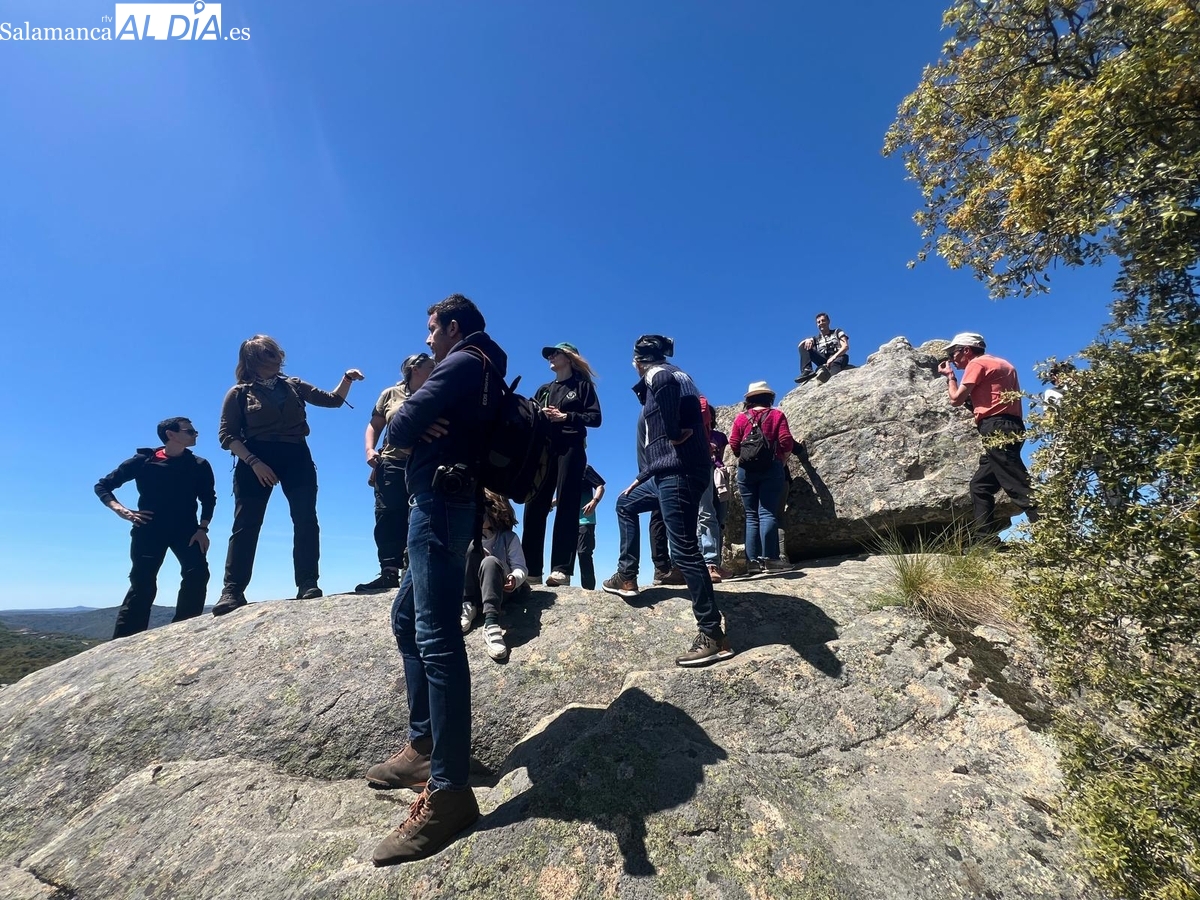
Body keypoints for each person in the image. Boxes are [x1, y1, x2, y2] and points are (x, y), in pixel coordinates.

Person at [368, 293, 504, 866]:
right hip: (442, 502)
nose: (427, 338)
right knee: (407, 619)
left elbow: (399, 424)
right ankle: (425, 743)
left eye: (431, 328)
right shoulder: (483, 365)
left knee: (437, 636)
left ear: (452, 327)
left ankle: (449, 792)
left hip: (441, 504)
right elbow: (405, 428)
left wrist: (413, 422)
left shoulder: (465, 360)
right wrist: (415, 424)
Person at [601, 334, 733, 668]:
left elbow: (664, 389)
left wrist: (673, 432)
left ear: (637, 361)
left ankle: (712, 634)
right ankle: (626, 576)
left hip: (678, 473)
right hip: (671, 473)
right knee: (625, 503)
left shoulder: (659, 374)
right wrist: (642, 476)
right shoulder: (681, 375)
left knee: (685, 550)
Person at [213, 335, 364, 615]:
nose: (278, 357)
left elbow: (332, 400)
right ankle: (232, 590)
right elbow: (227, 436)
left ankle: (308, 583)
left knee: (305, 519)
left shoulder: (293, 385)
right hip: (254, 457)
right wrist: (254, 462)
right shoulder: (239, 393)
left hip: (296, 455)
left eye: (276, 352)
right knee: (246, 523)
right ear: (254, 360)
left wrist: (347, 379)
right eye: (270, 353)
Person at [95, 417, 215, 639]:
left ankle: (183, 631)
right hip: (148, 530)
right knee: (143, 583)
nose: (195, 434)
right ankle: (125, 640)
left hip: (187, 531)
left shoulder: (198, 464)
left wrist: (203, 529)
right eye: (190, 431)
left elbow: (208, 499)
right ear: (171, 434)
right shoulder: (143, 461)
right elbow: (103, 486)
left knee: (197, 574)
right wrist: (121, 510)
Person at [937, 332, 1039, 540]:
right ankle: (984, 540)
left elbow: (956, 399)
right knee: (980, 485)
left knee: (1017, 483)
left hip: (995, 427)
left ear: (967, 350)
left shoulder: (976, 364)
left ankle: (1052, 531)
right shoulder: (1004, 364)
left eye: (953, 353)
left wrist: (950, 377)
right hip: (1013, 425)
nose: (952, 359)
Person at [355, 352, 437, 594]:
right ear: (414, 369)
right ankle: (389, 572)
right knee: (388, 515)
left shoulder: (437, 392)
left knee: (422, 516)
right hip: (392, 462)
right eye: (430, 366)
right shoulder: (390, 394)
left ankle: (416, 572)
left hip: (425, 463)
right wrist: (369, 449)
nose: (435, 369)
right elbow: (375, 424)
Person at [523, 342, 602, 588]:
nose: (551, 357)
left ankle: (561, 570)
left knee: (567, 505)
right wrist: (541, 416)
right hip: (544, 451)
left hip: (571, 449)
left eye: (555, 353)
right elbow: (529, 418)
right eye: (549, 354)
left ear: (568, 358)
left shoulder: (582, 387)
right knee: (534, 505)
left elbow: (595, 418)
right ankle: (531, 571)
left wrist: (566, 416)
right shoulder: (544, 390)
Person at [729, 382, 795, 574]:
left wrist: (748, 456)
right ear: (769, 398)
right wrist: (782, 459)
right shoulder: (776, 415)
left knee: (751, 515)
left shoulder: (741, 418)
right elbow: (786, 441)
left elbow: (734, 444)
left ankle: (753, 563)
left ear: (749, 399)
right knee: (767, 512)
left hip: (746, 470)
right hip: (771, 466)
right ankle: (772, 560)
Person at [459, 490, 528, 661]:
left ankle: (491, 622)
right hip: (473, 591)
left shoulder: (508, 538)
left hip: (500, 590)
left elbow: (520, 567)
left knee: (490, 562)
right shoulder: (467, 537)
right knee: (472, 548)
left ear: (495, 512)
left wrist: (515, 578)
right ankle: (468, 605)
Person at [697, 397, 731, 582]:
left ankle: (715, 562)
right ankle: (707, 563)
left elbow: (722, 458)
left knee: (719, 518)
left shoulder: (719, 436)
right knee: (705, 515)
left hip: (719, 477)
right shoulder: (696, 434)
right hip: (703, 472)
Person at [795, 312, 850, 383]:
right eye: (818, 322)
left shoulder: (837, 331)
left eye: (823, 320)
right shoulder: (816, 338)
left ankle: (834, 382)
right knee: (803, 346)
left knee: (834, 365)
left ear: (828, 321)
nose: (821, 323)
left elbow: (845, 347)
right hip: (824, 359)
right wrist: (807, 340)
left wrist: (833, 358)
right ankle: (807, 370)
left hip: (839, 357)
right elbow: (800, 346)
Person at [576, 465, 606, 590]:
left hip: (585, 520)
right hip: (567, 522)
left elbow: (600, 486)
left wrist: (594, 501)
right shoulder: (563, 470)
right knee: (565, 555)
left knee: (584, 554)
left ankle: (588, 589)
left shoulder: (585, 468)